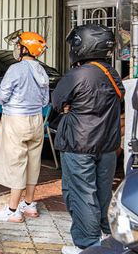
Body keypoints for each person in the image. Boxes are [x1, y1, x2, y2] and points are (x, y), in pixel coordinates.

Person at [52, 24, 124, 254]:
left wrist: (68, 108)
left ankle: (87, 245)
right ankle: (105, 237)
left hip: (78, 144)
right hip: (108, 145)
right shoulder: (112, 73)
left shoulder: (77, 74)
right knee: (103, 193)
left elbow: (56, 103)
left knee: (82, 194)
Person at [0, 31, 49, 223]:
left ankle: (12, 209)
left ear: (25, 48)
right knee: (33, 162)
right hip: (36, 120)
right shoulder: (41, 70)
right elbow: (45, 99)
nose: (17, 48)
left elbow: (3, 94)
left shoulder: (16, 69)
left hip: (16, 119)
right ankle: (29, 204)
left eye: (19, 45)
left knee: (16, 163)